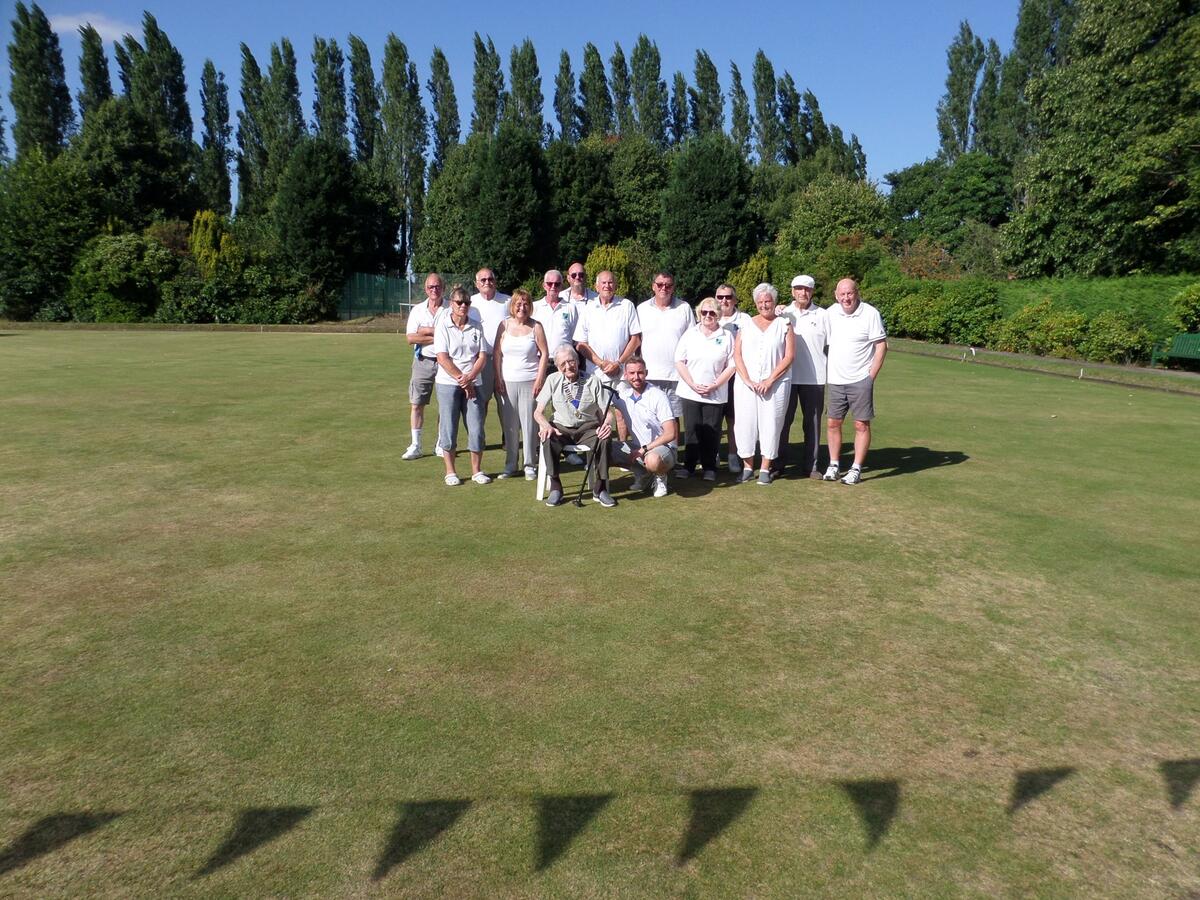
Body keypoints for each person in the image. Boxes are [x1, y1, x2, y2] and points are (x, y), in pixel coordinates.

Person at [534, 346, 617, 507]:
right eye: (562, 364)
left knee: (604, 439)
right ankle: (556, 487)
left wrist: (606, 425)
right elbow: (538, 412)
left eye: (571, 361)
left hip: (587, 428)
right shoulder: (552, 379)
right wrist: (546, 426)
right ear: (558, 367)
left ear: (578, 361)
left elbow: (607, 413)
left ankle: (600, 488)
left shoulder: (593, 381)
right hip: (561, 428)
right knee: (548, 439)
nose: (568, 366)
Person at [823, 278, 887, 486]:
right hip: (835, 380)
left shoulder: (870, 313)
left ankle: (856, 468)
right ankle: (834, 465)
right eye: (842, 294)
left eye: (849, 293)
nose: (846, 298)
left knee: (861, 424)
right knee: (833, 423)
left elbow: (881, 345)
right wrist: (782, 309)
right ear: (836, 295)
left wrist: (870, 377)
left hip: (860, 379)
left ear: (856, 293)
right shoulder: (830, 313)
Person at [732, 283, 795, 485]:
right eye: (760, 302)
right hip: (746, 385)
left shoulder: (784, 325)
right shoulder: (746, 324)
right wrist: (747, 380)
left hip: (776, 385)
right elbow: (737, 355)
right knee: (745, 424)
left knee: (772, 424)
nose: (764, 305)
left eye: (767, 301)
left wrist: (769, 380)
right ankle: (748, 467)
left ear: (774, 302)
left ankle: (766, 468)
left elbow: (789, 356)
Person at [432, 284, 491, 486]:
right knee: (448, 427)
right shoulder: (443, 326)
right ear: (452, 304)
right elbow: (442, 357)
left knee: (476, 427)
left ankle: (476, 470)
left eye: (466, 302)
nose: (463, 306)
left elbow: (482, 356)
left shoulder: (477, 326)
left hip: (474, 382)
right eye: (459, 302)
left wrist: (470, 377)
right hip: (448, 383)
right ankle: (450, 472)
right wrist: (462, 379)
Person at [674, 298, 736, 481]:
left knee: (712, 431)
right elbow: (679, 361)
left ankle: (709, 468)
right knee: (692, 430)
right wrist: (692, 384)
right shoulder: (690, 334)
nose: (708, 315)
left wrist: (715, 385)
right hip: (690, 391)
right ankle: (689, 466)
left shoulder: (727, 336)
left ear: (719, 314)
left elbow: (732, 365)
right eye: (704, 312)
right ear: (699, 313)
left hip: (715, 393)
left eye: (712, 312)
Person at [636, 270, 692, 470]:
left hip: (676, 375)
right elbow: (636, 339)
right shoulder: (642, 309)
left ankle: (672, 457)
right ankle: (647, 455)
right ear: (653, 286)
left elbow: (691, 339)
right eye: (660, 284)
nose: (663, 288)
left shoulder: (684, 308)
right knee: (648, 417)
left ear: (673, 287)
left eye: (668, 285)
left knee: (673, 417)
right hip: (649, 374)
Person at [775, 274, 829, 479]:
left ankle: (811, 466)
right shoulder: (782, 313)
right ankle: (778, 464)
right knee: (782, 423)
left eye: (807, 289)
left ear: (812, 291)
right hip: (786, 378)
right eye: (799, 288)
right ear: (792, 291)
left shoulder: (823, 315)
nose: (803, 292)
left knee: (812, 424)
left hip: (814, 379)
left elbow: (830, 346)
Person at [494, 289, 549, 480]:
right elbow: (497, 353)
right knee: (509, 426)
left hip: (530, 382)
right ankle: (511, 465)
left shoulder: (536, 327)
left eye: (526, 304)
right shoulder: (503, 326)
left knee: (529, 425)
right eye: (518, 304)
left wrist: (540, 379)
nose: (522, 307)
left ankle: (529, 465)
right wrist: (498, 378)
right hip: (507, 382)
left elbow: (544, 353)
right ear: (512, 306)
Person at [611, 357, 679, 498]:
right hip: (638, 447)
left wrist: (644, 449)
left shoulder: (658, 396)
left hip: (664, 449)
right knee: (605, 450)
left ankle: (660, 477)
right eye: (632, 373)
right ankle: (643, 474)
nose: (636, 377)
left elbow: (670, 433)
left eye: (640, 372)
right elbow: (600, 401)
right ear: (626, 375)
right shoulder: (623, 396)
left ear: (646, 373)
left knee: (652, 460)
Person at [402, 273, 447, 460]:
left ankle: (441, 444)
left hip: (447, 362)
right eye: (431, 287)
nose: (434, 290)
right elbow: (411, 338)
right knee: (417, 404)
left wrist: (425, 331)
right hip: (423, 361)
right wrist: (439, 333)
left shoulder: (451, 308)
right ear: (425, 289)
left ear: (443, 288)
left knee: (445, 406)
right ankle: (416, 445)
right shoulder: (418, 310)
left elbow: (454, 334)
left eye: (437, 286)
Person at [573, 270, 641, 384]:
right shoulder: (588, 309)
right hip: (595, 375)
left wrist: (618, 363)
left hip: (622, 375)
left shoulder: (626, 305)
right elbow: (580, 344)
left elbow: (636, 340)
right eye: (603, 283)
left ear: (615, 286)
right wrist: (601, 364)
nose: (607, 286)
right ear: (596, 287)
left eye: (610, 282)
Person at [471, 267, 511, 438]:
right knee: (482, 401)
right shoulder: (470, 303)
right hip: (481, 360)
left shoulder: (508, 301)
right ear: (476, 284)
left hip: (505, 360)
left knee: (506, 401)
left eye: (490, 279)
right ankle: (478, 439)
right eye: (483, 280)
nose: (487, 282)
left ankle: (508, 438)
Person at [716, 284, 752, 473]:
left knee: (733, 419)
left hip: (736, 378)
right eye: (720, 297)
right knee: (714, 419)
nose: (724, 301)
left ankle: (732, 456)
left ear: (735, 299)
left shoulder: (745, 319)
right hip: (714, 377)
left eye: (728, 297)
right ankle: (712, 455)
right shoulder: (708, 315)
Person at [531, 269, 579, 358]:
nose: (553, 286)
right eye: (550, 283)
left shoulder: (571, 308)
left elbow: (574, 335)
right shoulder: (534, 307)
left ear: (561, 286)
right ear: (544, 285)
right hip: (539, 358)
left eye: (557, 284)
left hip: (564, 359)